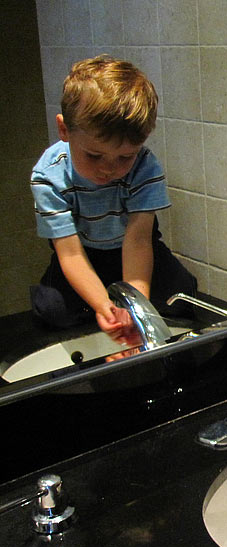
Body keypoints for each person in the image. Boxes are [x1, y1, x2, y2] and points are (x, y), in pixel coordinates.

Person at [30, 55, 196, 340]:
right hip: (82, 253)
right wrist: (103, 306)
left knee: (182, 296)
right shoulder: (49, 175)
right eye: (94, 155)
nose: (108, 168)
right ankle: (98, 305)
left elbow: (139, 241)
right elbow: (69, 252)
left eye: (125, 156)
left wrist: (136, 308)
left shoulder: (145, 167)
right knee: (52, 310)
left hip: (133, 246)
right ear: (64, 130)